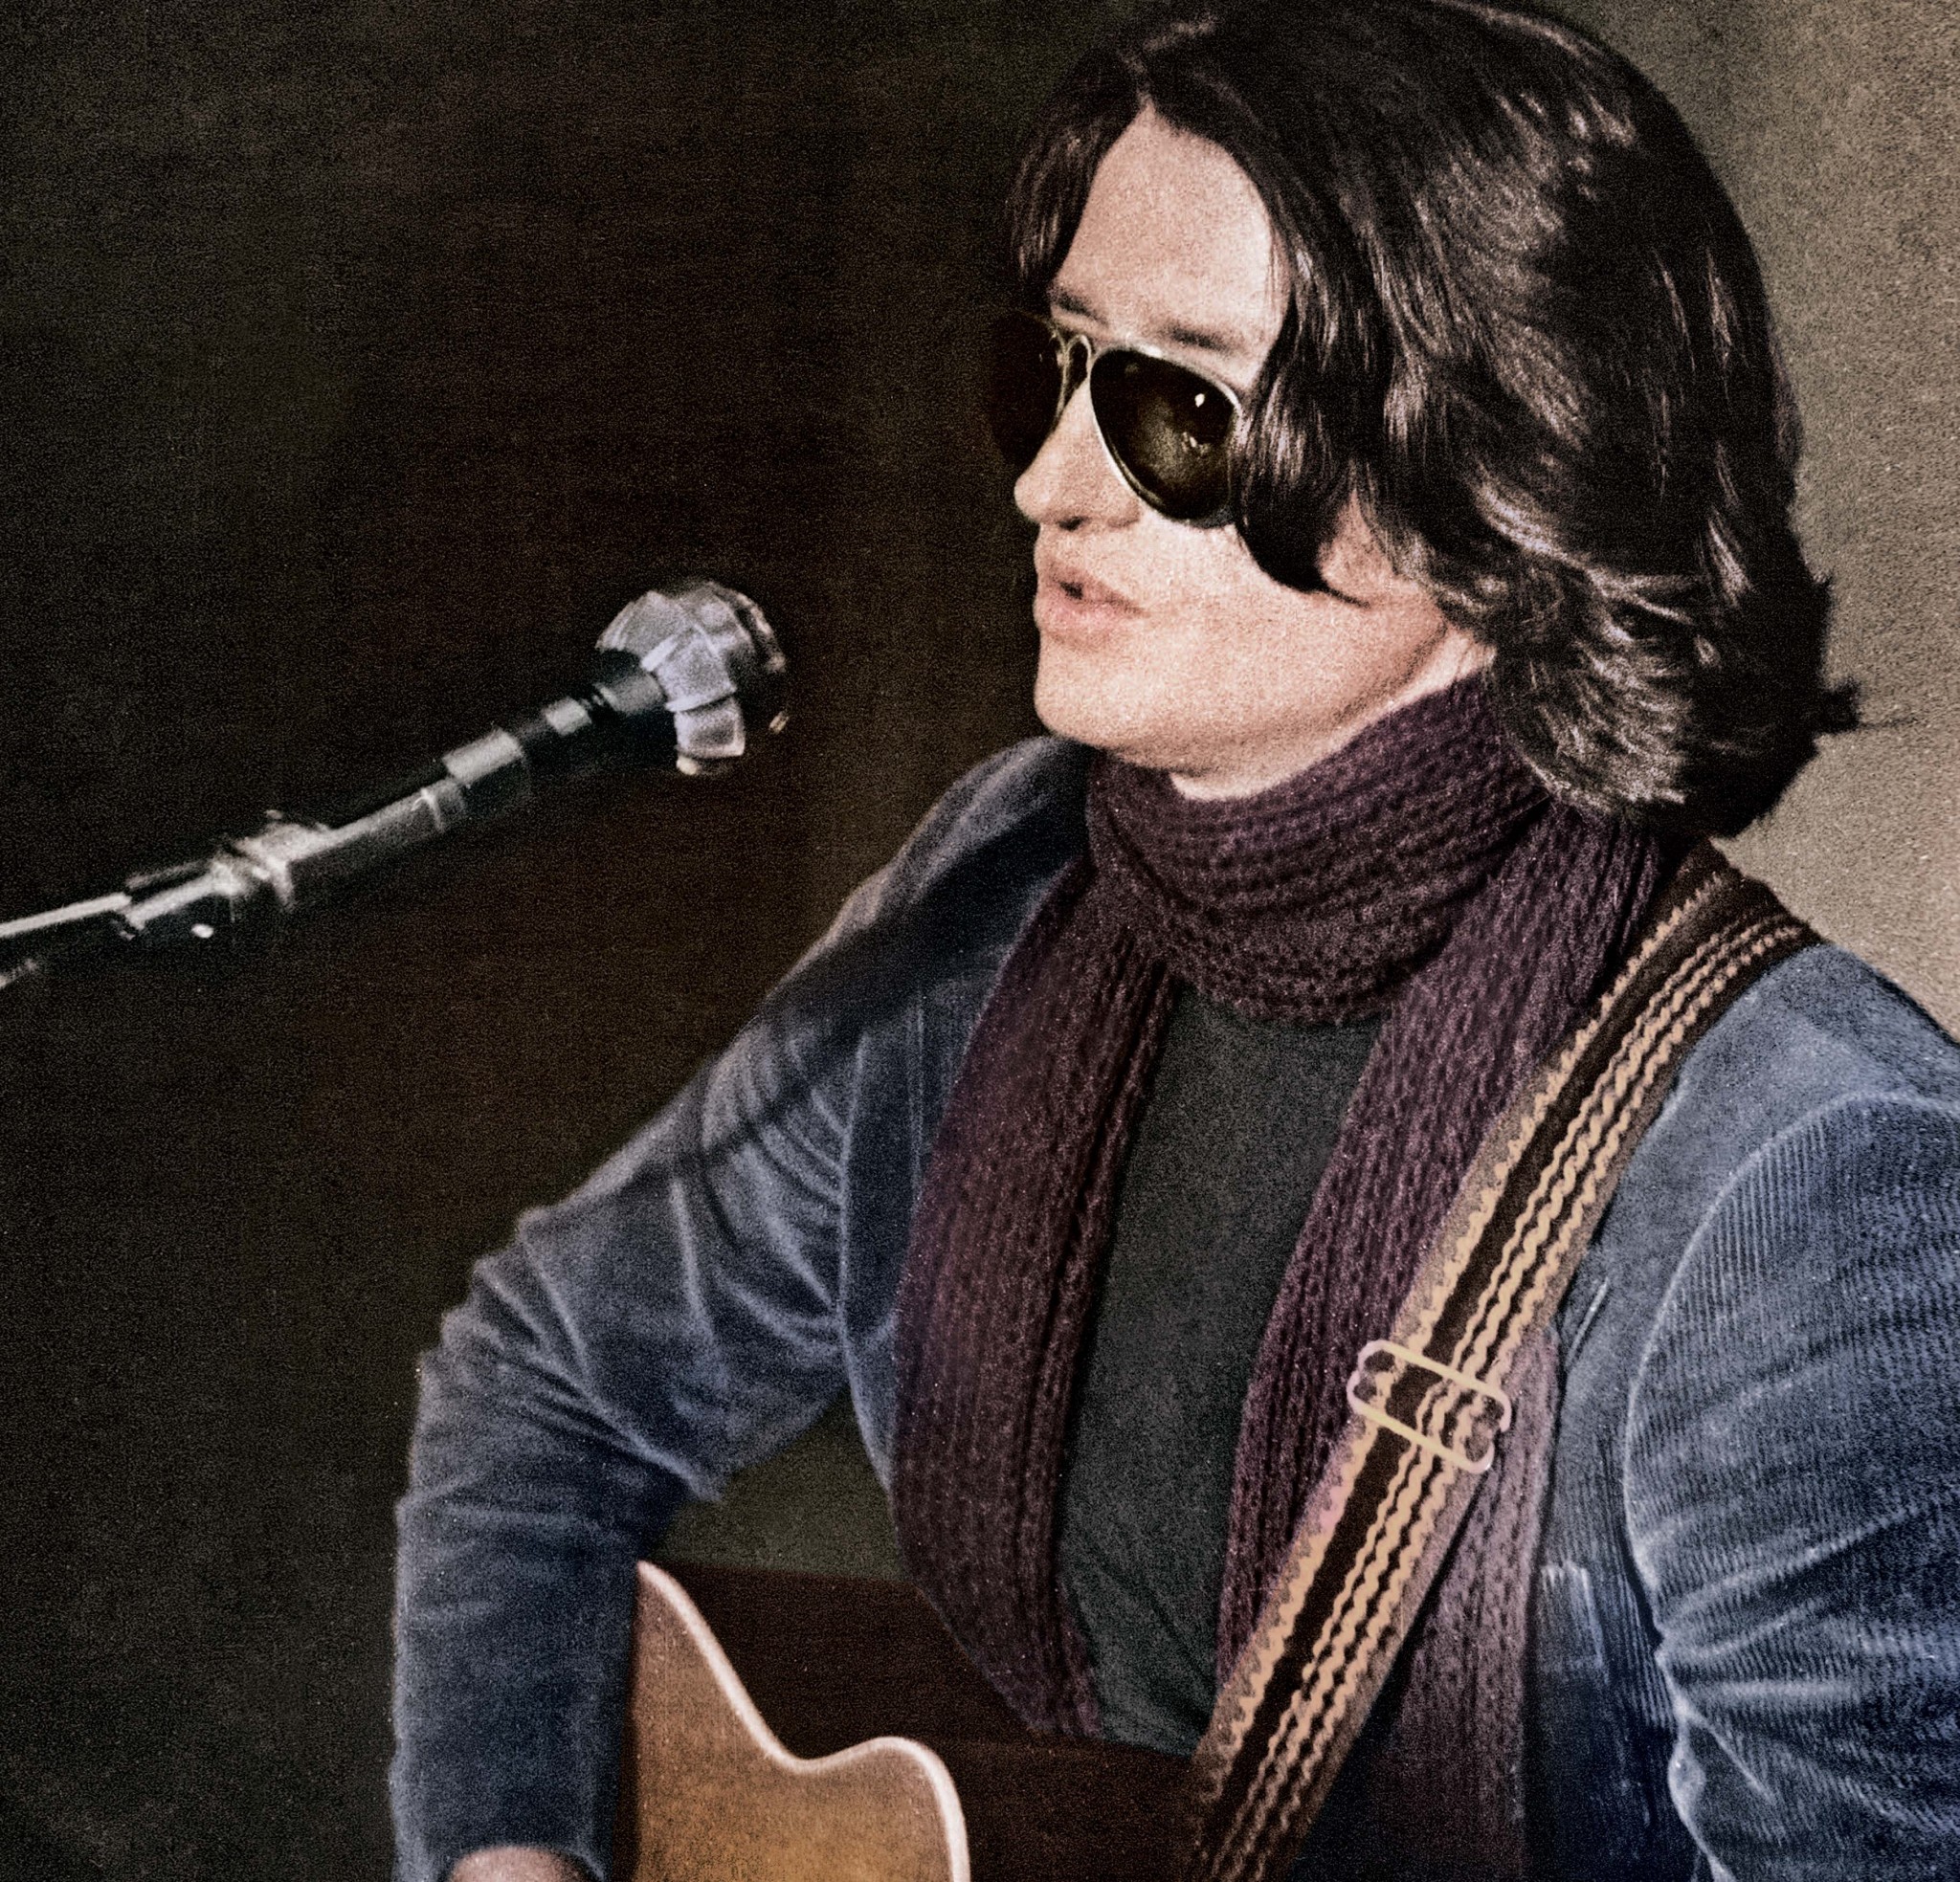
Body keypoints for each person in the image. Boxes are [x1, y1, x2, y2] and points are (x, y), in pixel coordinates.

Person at [391, 3, 1960, 1878]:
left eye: (1181, 411)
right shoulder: (1006, 888)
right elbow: (549, 1381)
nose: (1048, 482)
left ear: (1496, 483)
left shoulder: (1820, 1176)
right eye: (1059, 371)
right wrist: (509, 1849)